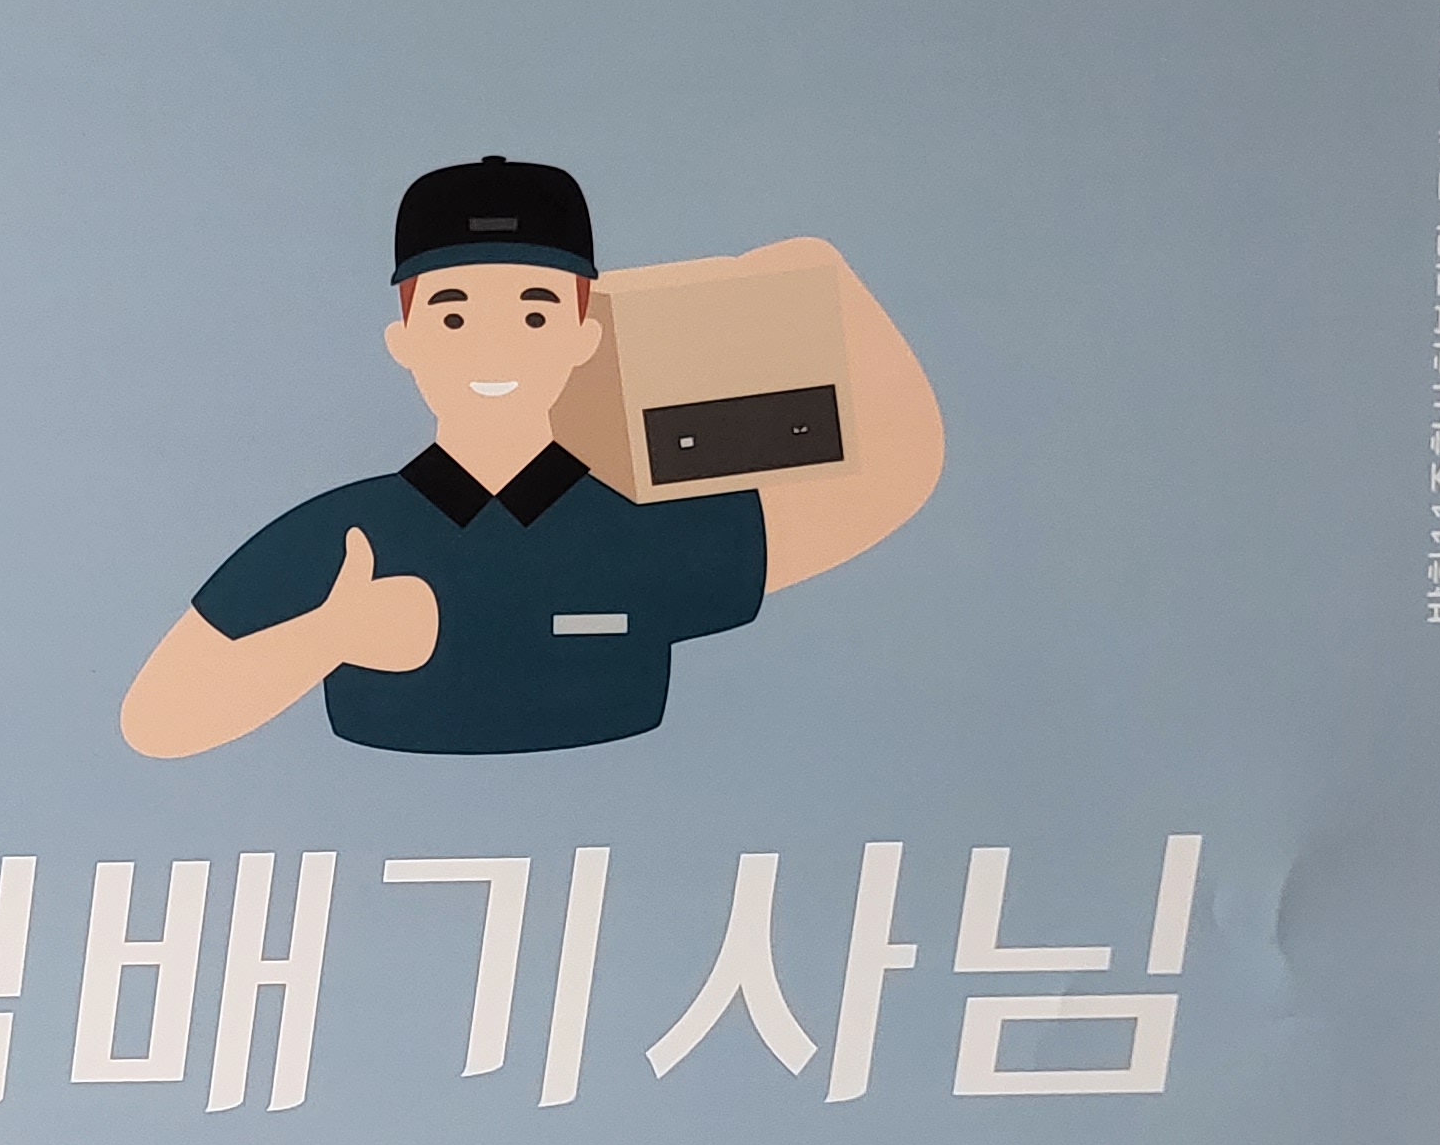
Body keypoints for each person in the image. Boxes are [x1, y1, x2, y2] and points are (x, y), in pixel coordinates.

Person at [119, 156, 943, 758]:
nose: (494, 346)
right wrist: (327, 634)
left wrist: (817, 279)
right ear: (402, 342)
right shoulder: (344, 538)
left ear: (587, 335)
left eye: (536, 315)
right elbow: (157, 721)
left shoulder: (653, 528)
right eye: (453, 317)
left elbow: (889, 478)